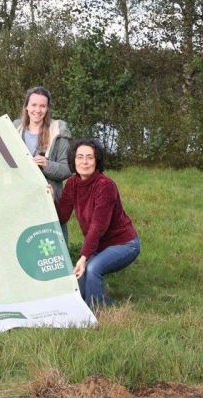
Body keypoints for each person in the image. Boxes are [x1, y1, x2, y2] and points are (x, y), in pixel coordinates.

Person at [56, 139, 140, 308]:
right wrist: (49, 197)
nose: (84, 162)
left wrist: (84, 257)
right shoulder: (72, 183)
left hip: (124, 243)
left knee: (93, 268)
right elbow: (62, 217)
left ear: (97, 161)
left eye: (90, 157)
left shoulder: (105, 185)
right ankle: (101, 303)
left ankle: (93, 314)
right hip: (98, 245)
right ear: (74, 160)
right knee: (80, 282)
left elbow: (97, 226)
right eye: (80, 157)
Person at [13, 86, 72, 198]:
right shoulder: (14, 129)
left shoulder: (58, 132)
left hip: (46, 198)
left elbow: (67, 170)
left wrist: (47, 164)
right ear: (26, 106)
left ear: (47, 108)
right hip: (18, 196)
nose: (38, 110)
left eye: (42, 106)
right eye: (34, 105)